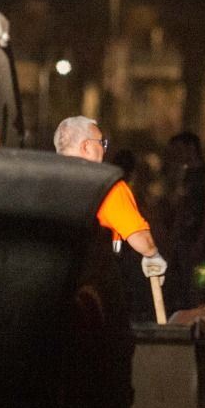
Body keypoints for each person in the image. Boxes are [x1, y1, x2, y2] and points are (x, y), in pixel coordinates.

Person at [54, 115, 167, 297]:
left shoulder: (41, 179)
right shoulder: (106, 184)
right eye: (101, 143)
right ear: (86, 146)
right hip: (92, 289)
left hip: (47, 287)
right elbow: (140, 239)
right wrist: (152, 255)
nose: (104, 150)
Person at [160, 131, 205, 313]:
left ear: (191, 148)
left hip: (203, 243)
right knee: (186, 289)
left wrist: (201, 240)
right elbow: (180, 208)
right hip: (184, 241)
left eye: (179, 149)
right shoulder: (185, 175)